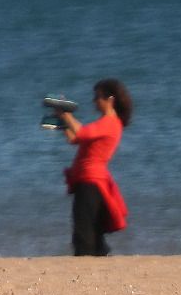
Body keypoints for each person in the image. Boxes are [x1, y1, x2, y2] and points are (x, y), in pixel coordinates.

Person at [54, 78, 133, 256]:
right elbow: (75, 139)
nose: (94, 101)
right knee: (92, 229)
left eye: (97, 97)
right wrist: (63, 121)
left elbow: (82, 132)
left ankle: (87, 264)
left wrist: (67, 114)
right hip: (91, 182)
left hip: (91, 182)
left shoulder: (110, 123)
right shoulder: (106, 124)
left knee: (84, 230)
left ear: (110, 100)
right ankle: (99, 258)